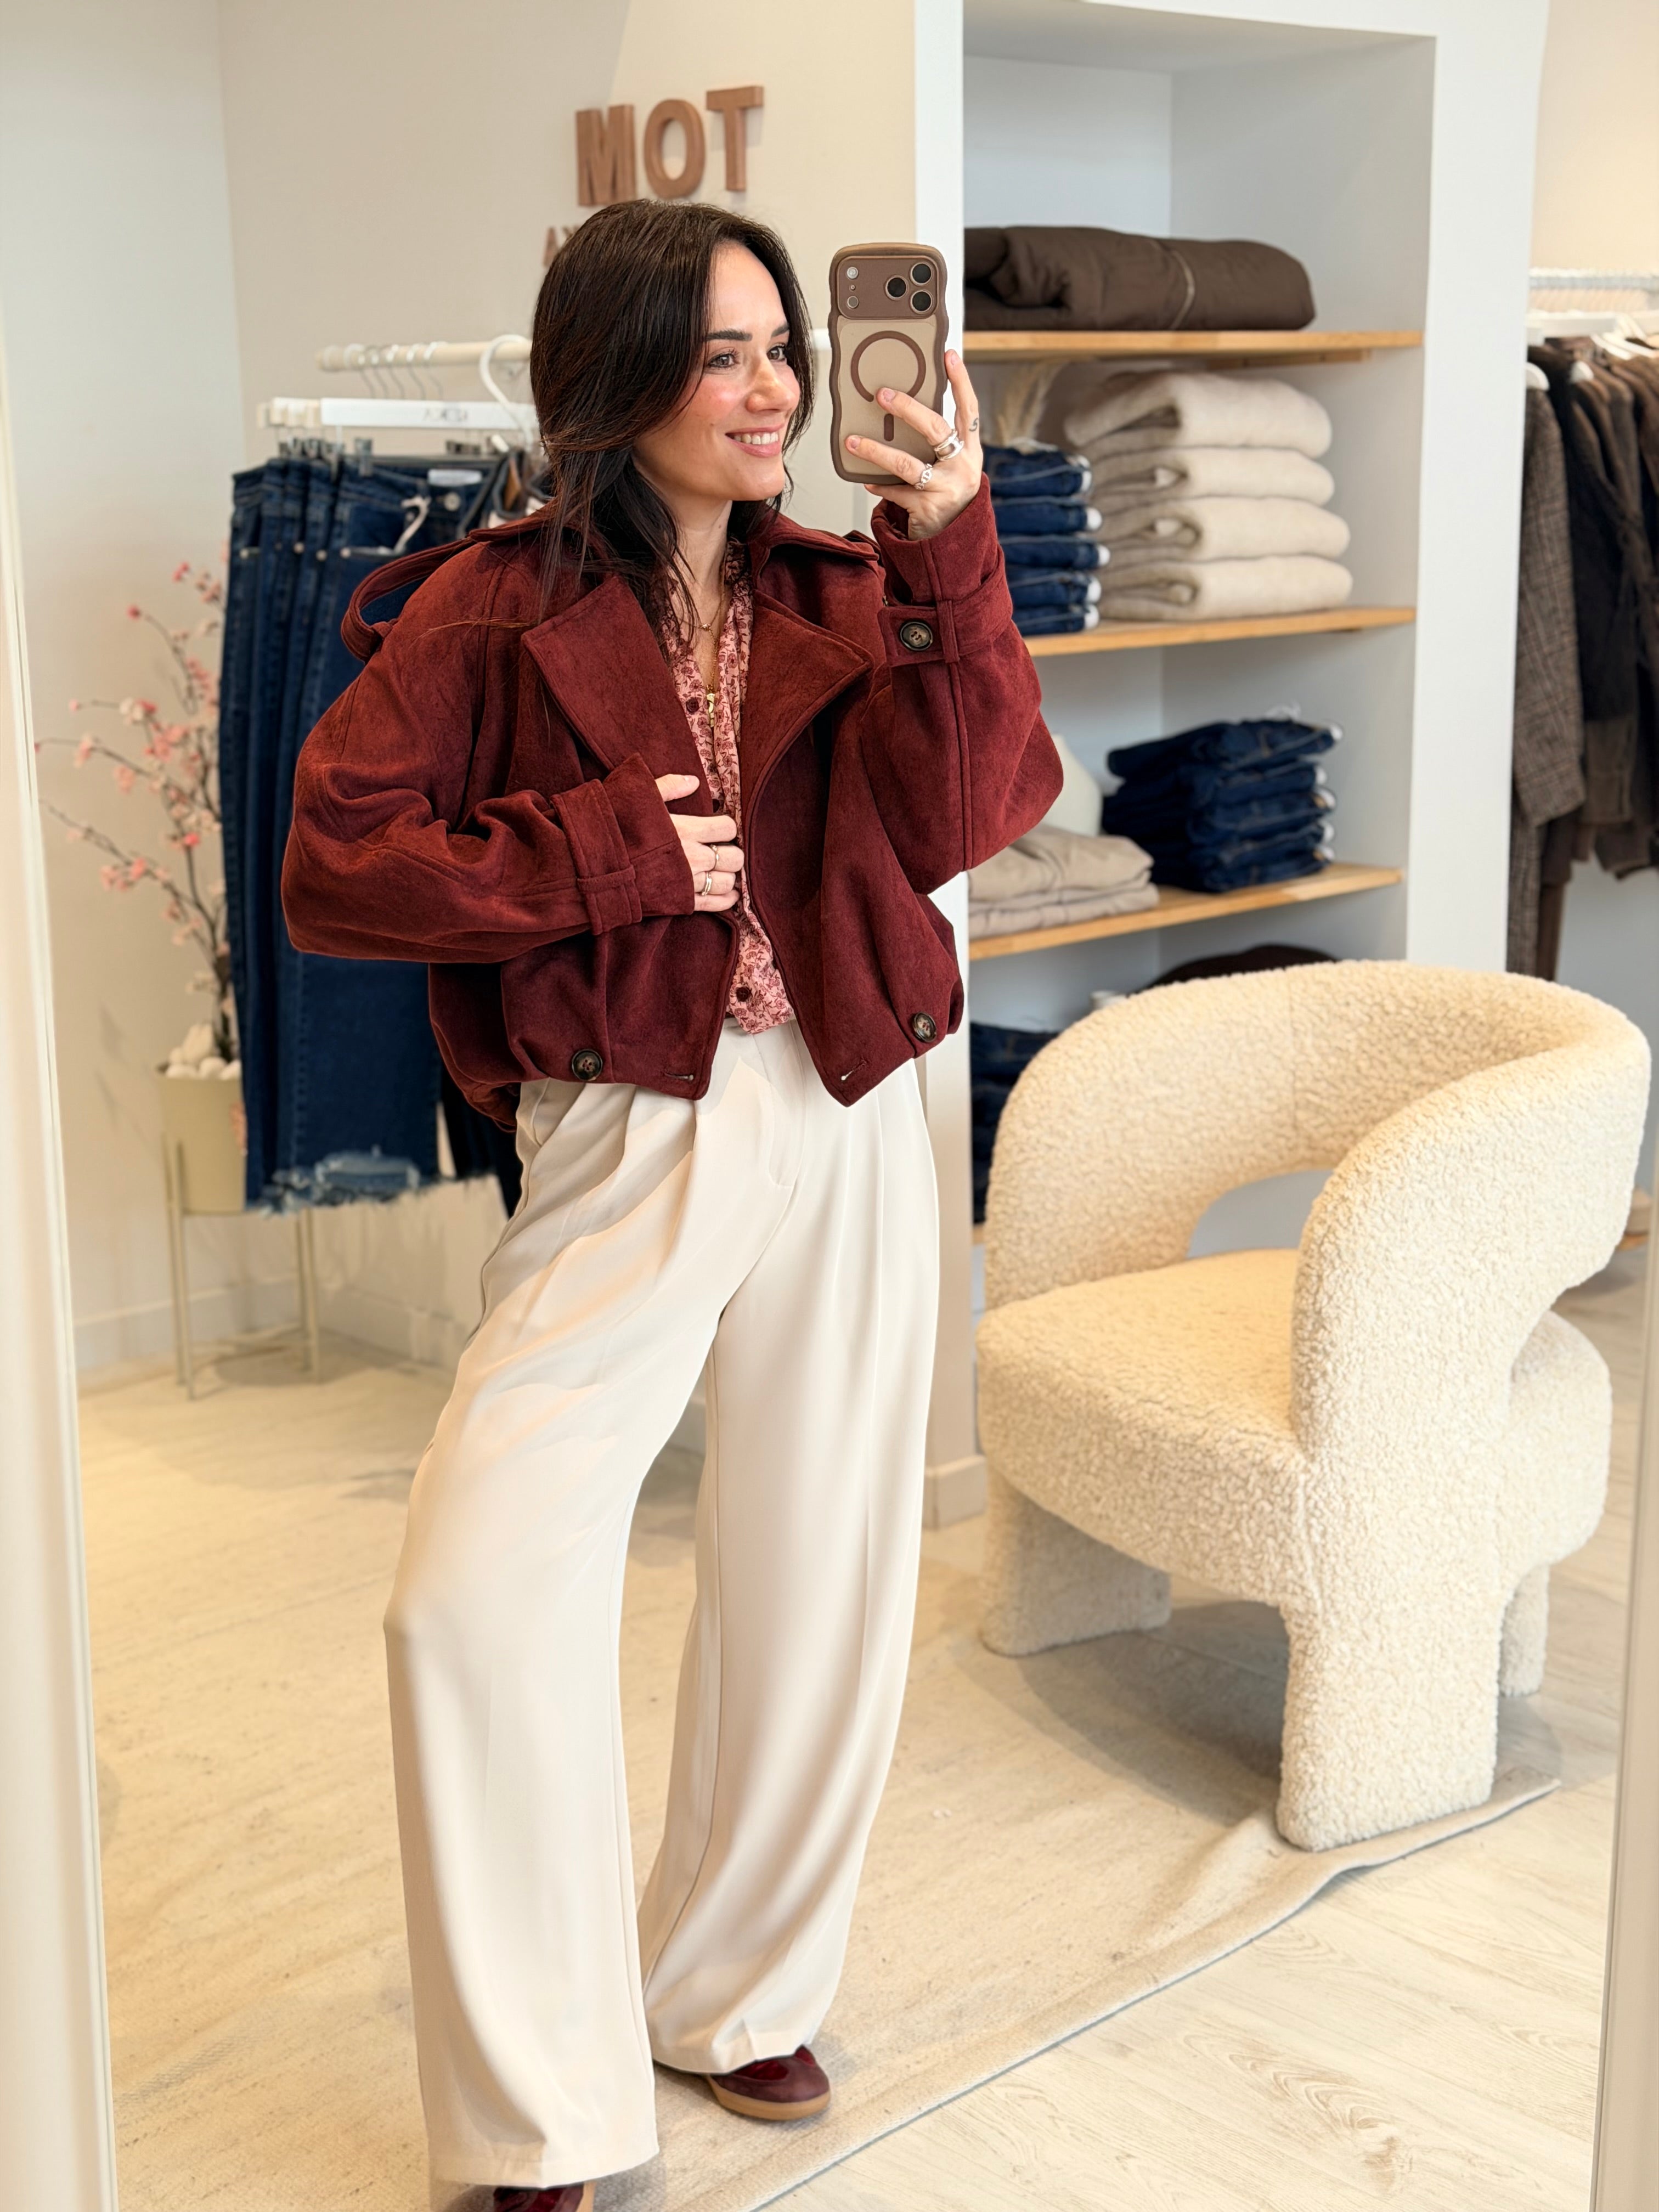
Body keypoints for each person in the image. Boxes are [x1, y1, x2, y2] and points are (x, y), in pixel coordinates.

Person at [281, 197, 1058, 2212]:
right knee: (473, 1582)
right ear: (617, 377)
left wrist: (953, 547)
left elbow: (978, 808)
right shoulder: (485, 609)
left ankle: (731, 1990)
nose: (774, 387)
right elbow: (336, 863)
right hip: (633, 1118)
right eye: (724, 353)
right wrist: (610, 850)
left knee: (821, 1563)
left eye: (782, 344)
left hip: (856, 1098)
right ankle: (542, 2099)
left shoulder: (853, 582)